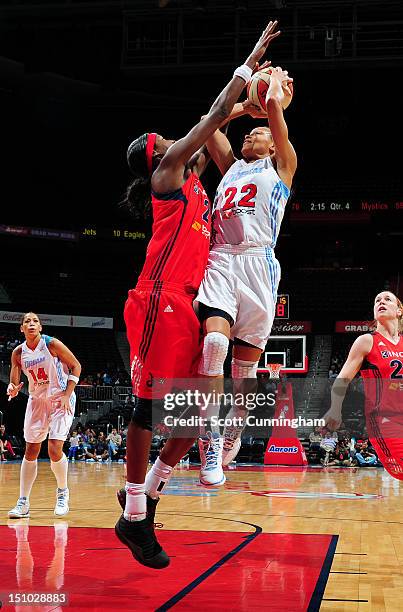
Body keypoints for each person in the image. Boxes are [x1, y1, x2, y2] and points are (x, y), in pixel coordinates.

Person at [114, 20, 281, 570]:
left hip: (194, 299)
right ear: (157, 156)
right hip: (158, 299)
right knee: (148, 406)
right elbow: (207, 121)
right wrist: (247, 66)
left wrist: (249, 107)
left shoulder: (201, 183)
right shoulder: (167, 176)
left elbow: (213, 133)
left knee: (194, 405)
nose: (175, 141)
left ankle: (158, 486)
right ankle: (136, 513)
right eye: (167, 141)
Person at [193, 61, 297, 484]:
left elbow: (274, 108)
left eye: (259, 133)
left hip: (259, 265)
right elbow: (207, 122)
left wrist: (271, 92)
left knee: (244, 374)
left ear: (273, 146)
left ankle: (234, 428)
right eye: (249, 133)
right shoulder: (232, 165)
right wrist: (241, 107)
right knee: (214, 343)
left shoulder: (282, 167)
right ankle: (209, 440)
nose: (250, 135)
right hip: (221, 257)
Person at [6, 312, 81, 518]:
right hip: (37, 400)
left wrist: (67, 394)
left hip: (60, 398)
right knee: (31, 450)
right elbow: (14, 379)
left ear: (40, 327)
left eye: (35, 321)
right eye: (27, 321)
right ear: (21, 328)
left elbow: (76, 366)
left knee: (55, 449)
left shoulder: (51, 344)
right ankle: (23, 502)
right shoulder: (18, 353)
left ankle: (63, 492)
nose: (31, 324)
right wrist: (12, 388)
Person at [324, 291, 403, 479]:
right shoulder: (367, 341)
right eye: (377, 300)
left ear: (399, 310)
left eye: (387, 299)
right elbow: (342, 378)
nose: (381, 302)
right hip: (385, 421)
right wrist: (335, 408)